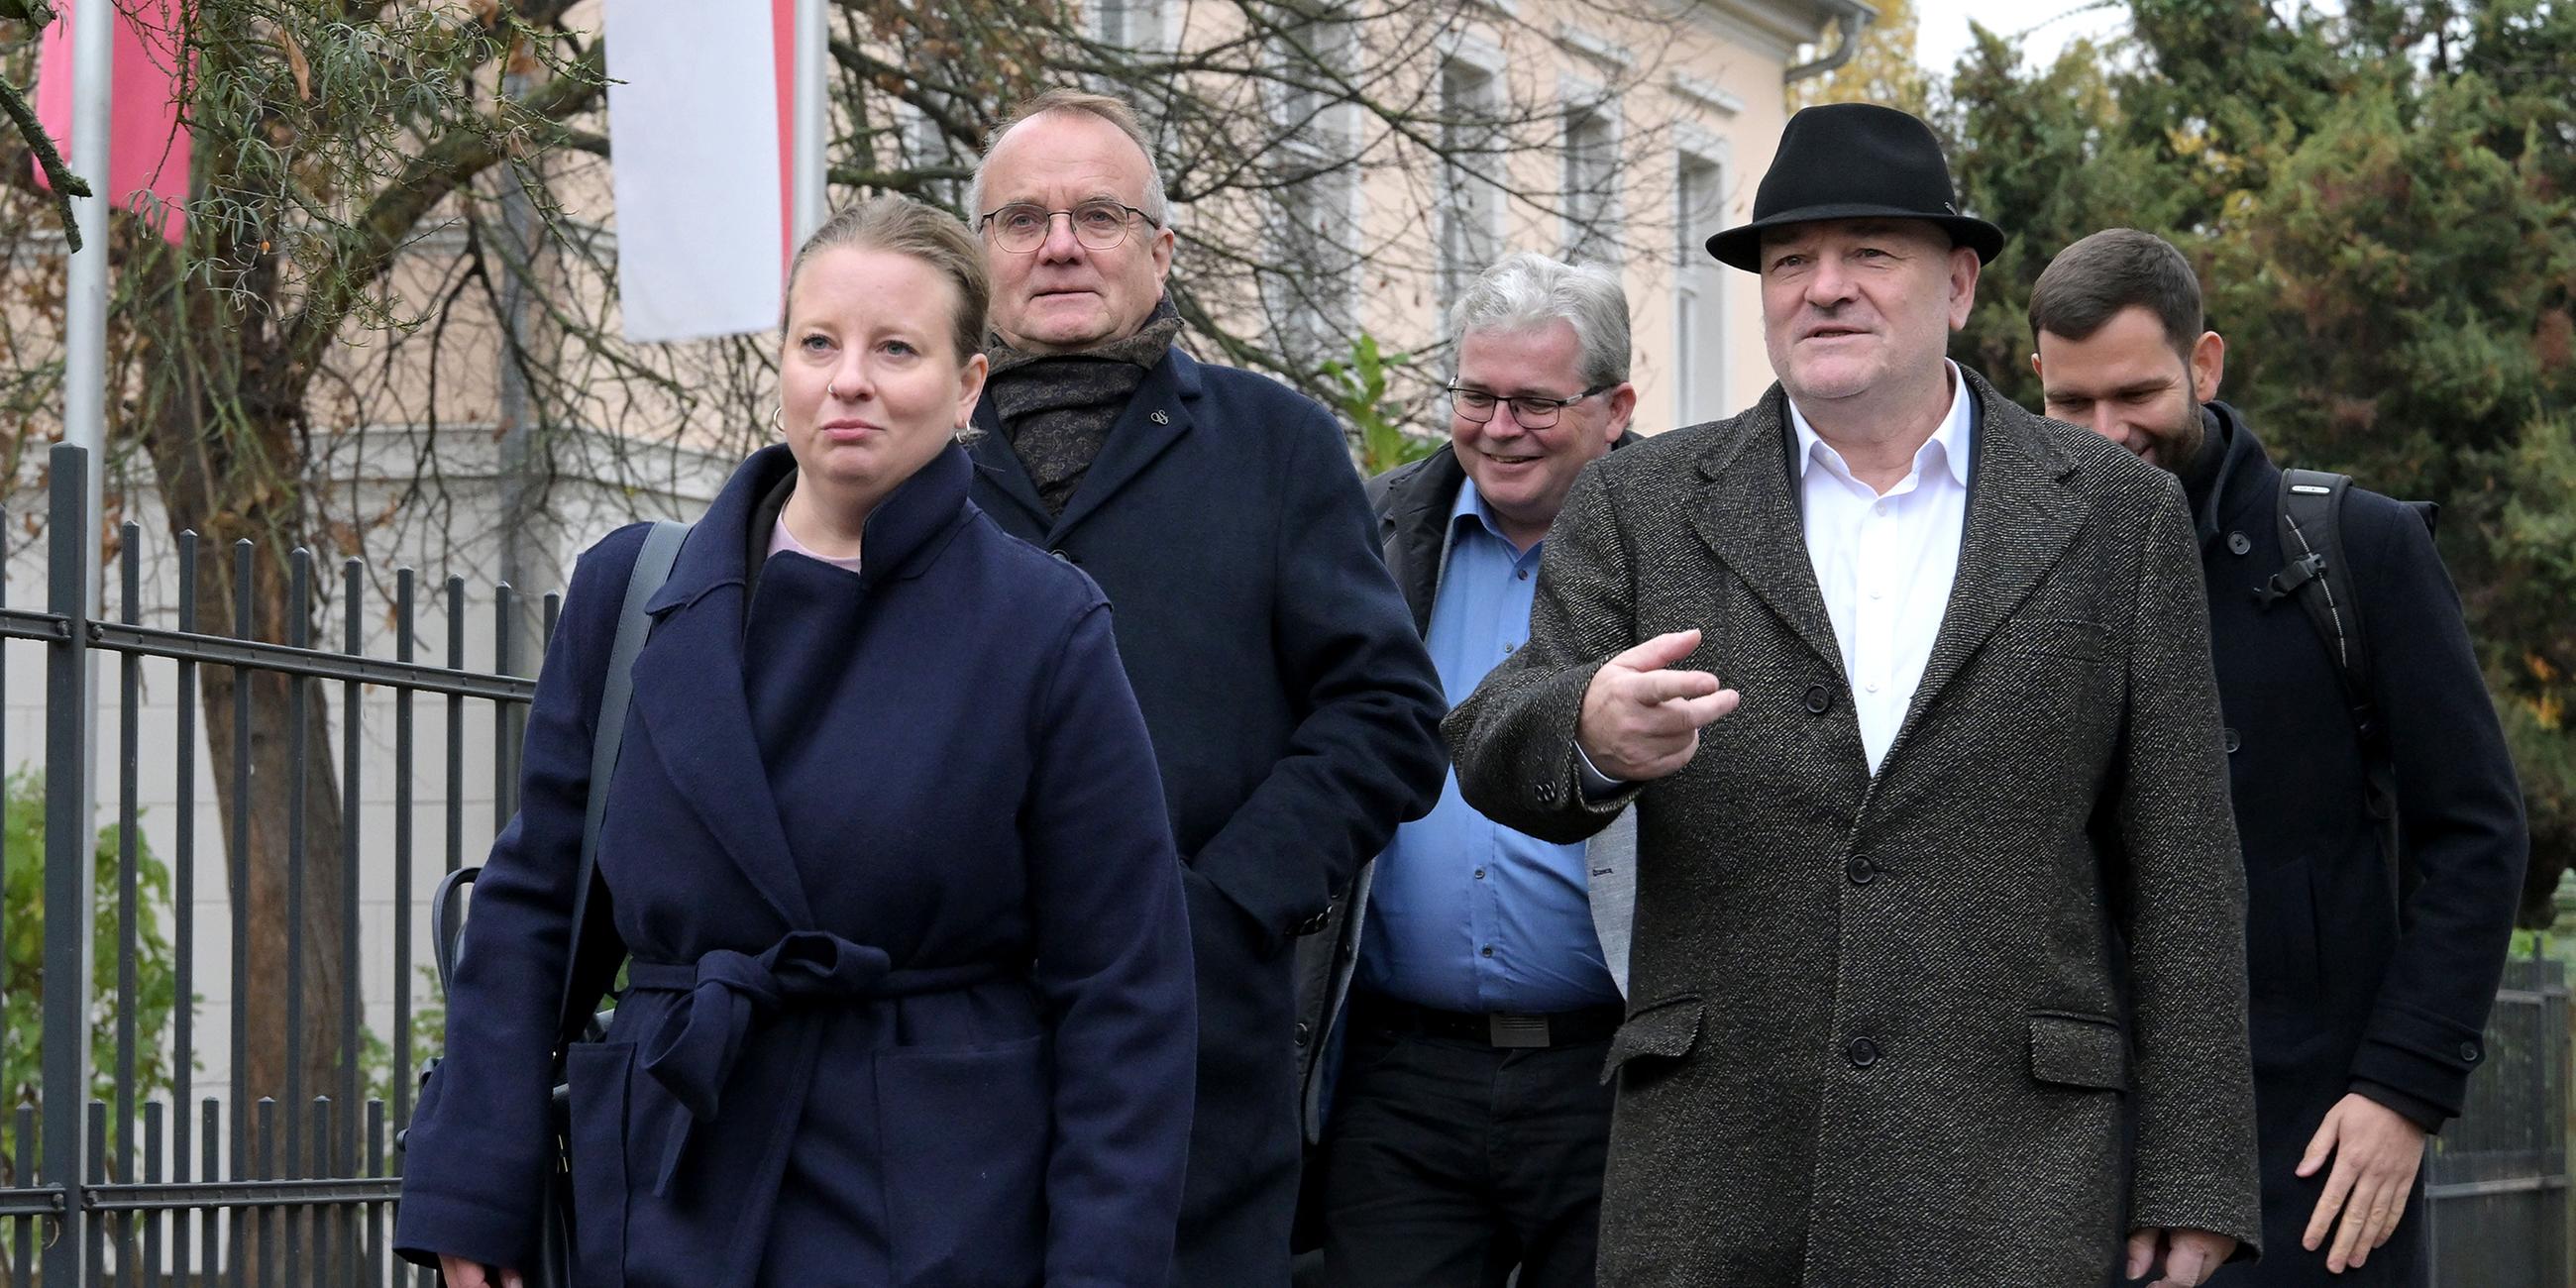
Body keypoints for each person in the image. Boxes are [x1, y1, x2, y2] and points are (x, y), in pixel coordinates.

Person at [1442, 102, 2263, 1288]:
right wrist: (1586, 728)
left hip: (2011, 1182)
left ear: (1960, 284)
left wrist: (2193, 1168)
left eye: (1868, 252)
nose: (1822, 287)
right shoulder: (1644, 500)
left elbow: (2182, 865)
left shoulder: (2110, 513)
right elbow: (1487, 739)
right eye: (1788, 262)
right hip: (1716, 1174)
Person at [393, 194, 1198, 1288]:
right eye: (818, 341)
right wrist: (472, 1195)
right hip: (671, 1177)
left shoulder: (1042, 626)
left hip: (933, 1206)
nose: (848, 379)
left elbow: (1124, 990)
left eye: (896, 348)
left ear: (968, 387)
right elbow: (538, 909)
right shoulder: (633, 590)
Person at [961, 89, 1449, 1287]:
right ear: (979, 253)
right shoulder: (915, 454)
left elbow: (1386, 715)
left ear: (1161, 249)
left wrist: (1225, 904)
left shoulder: (1275, 445)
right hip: (938, 1049)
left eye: (1098, 215)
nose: (1059, 243)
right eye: (1022, 217)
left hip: (1191, 1059)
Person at [2029, 228, 2529, 1287]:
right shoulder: (2006, 569)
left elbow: (2477, 833)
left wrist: (2401, 1090)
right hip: (2070, 1161)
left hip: (2314, 1151)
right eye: (2070, 405)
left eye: (2136, 394)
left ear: (2203, 365)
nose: (2105, 433)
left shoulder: (2358, 549)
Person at [1305, 252, 1643, 1288]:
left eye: (1535, 402)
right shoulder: (1372, 533)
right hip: (1401, 1074)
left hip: (1611, 1072)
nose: (1498, 427)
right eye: (1475, 395)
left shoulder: (1681, 542)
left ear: (1614, 406)